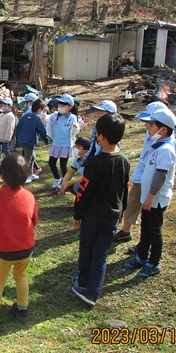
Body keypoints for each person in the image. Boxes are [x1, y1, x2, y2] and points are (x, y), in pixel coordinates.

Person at [71, 113, 130, 307]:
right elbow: (124, 189)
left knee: (87, 247)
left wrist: (77, 213)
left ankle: (83, 282)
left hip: (93, 216)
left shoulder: (94, 163)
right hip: (112, 215)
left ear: (101, 136)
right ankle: (93, 289)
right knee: (101, 253)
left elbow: (84, 191)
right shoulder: (124, 160)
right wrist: (122, 212)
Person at [0, 153, 37, 323]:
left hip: (4, 249)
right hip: (26, 248)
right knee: (21, 276)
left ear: (2, 176)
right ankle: (22, 309)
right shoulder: (29, 197)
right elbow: (33, 220)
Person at [124, 108, 176, 278]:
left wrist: (151, 195)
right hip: (147, 196)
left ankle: (154, 263)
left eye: (152, 125)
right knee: (145, 228)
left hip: (155, 199)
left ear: (164, 129)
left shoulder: (166, 149)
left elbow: (161, 176)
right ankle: (141, 257)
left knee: (154, 231)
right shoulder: (156, 145)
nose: (148, 127)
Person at [113, 102, 175, 248]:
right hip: (143, 175)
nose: (147, 128)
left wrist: (152, 192)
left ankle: (145, 248)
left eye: (150, 124)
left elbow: (162, 170)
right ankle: (127, 232)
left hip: (151, 183)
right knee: (133, 203)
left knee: (151, 222)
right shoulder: (152, 133)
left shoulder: (167, 144)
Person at [46, 94, 80, 190]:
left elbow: (75, 131)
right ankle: (57, 179)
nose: (60, 107)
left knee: (63, 165)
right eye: (60, 104)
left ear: (70, 107)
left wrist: (75, 128)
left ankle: (65, 183)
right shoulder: (55, 116)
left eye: (63, 105)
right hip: (56, 144)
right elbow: (46, 119)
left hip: (65, 145)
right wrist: (44, 112)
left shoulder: (72, 117)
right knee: (51, 163)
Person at [15, 99, 51, 185]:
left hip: (22, 140)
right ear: (39, 109)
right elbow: (42, 130)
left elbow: (18, 127)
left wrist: (18, 139)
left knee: (32, 157)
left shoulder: (25, 116)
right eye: (42, 110)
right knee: (27, 160)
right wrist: (46, 140)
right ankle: (25, 176)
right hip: (30, 141)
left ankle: (31, 174)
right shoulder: (37, 118)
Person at [80, 100, 118, 165]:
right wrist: (85, 162)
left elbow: (116, 148)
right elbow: (92, 146)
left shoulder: (115, 129)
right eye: (98, 113)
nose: (98, 115)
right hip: (96, 161)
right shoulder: (96, 126)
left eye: (101, 113)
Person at [0, 97, 16, 171]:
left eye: (5, 104)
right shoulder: (1, 115)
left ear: (9, 106)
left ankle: (13, 164)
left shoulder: (10, 116)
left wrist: (7, 138)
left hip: (4, 138)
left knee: (6, 152)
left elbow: (10, 128)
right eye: (2, 105)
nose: (3, 106)